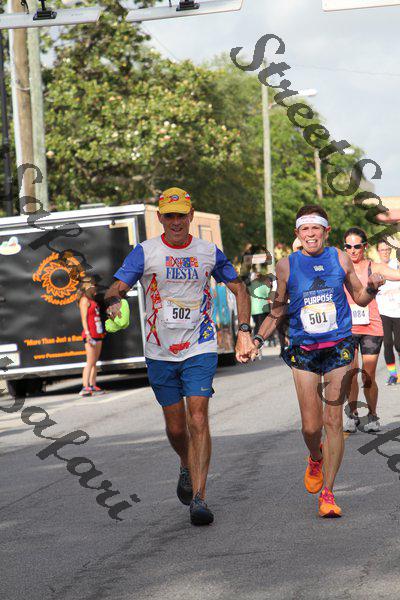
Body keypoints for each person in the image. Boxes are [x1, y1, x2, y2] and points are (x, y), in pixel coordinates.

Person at [105, 187, 254, 526]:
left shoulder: (208, 252)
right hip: (159, 350)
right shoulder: (146, 252)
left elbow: (239, 289)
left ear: (191, 215)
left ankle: (199, 497)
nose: (176, 222)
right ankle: (186, 463)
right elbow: (117, 287)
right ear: (160, 217)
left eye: (181, 215)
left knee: (197, 417)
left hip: (200, 345)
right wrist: (113, 301)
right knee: (175, 427)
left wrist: (244, 331)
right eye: (169, 216)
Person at [248, 205, 385, 518]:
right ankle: (315, 456)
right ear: (298, 233)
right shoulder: (286, 266)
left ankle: (328, 492)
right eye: (305, 229)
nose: (311, 234)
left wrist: (372, 288)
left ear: (326, 231)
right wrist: (256, 340)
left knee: (333, 420)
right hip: (304, 349)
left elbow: (359, 298)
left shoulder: (340, 258)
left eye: (316, 229)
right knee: (311, 427)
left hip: (339, 346)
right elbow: (278, 310)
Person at [342, 228, 400, 433]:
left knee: (368, 375)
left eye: (357, 246)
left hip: (371, 327)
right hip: (347, 328)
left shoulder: (373, 267)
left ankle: (373, 415)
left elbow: (397, 275)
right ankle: (352, 415)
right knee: (350, 373)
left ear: (365, 246)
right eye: (348, 246)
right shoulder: (339, 268)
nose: (352, 250)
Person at [376, 240, 400, 385]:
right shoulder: (375, 268)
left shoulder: (396, 264)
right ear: (378, 252)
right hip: (383, 311)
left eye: (387, 250)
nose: (385, 252)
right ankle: (393, 375)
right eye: (382, 250)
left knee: (399, 344)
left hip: (398, 311)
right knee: (388, 343)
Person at [77, 277, 106, 397]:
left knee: (94, 362)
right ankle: (85, 387)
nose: (96, 288)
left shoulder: (92, 299)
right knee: (90, 361)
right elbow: (84, 319)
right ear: (88, 286)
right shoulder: (84, 300)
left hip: (97, 333)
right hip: (90, 335)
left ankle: (92, 385)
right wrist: (88, 334)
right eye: (94, 286)